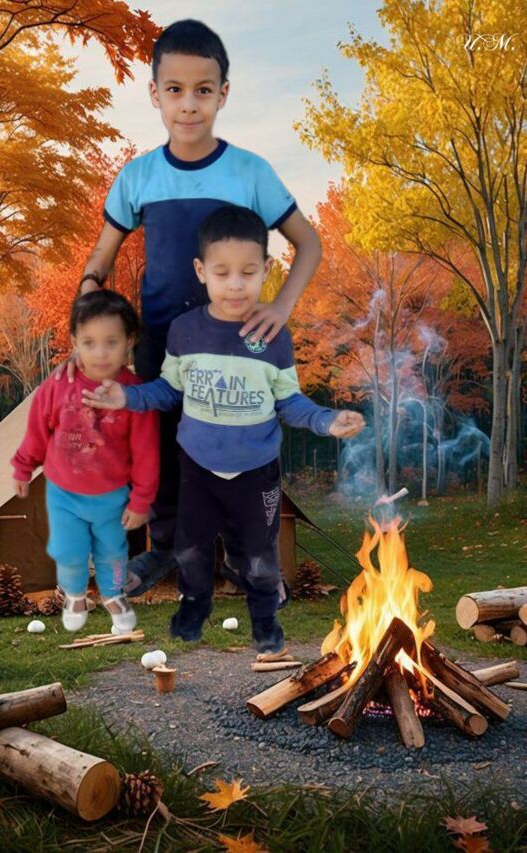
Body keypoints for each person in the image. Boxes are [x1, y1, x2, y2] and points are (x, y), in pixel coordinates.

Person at [59, 19, 323, 598]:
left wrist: (281, 306)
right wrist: (88, 292)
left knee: (240, 448)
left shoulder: (251, 172)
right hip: (163, 338)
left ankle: (248, 561)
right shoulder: (138, 176)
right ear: (154, 94)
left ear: (223, 94)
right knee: (161, 447)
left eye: (203, 90)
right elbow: (102, 255)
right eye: (174, 89)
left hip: (238, 342)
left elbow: (309, 243)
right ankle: (163, 552)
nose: (188, 104)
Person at [83, 206, 364, 652]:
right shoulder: (184, 331)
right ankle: (193, 609)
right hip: (198, 466)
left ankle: (266, 625)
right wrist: (127, 397)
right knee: (191, 549)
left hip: (257, 469)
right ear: (201, 271)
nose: (235, 284)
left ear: (266, 270)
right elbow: (168, 391)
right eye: (222, 273)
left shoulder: (274, 335)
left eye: (248, 273)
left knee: (258, 556)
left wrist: (327, 420)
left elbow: (289, 402)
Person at [11, 291, 159, 632]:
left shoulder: (134, 394)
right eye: (89, 343)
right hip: (64, 492)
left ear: (129, 341)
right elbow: (37, 431)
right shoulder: (57, 386)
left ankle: (114, 594)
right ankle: (75, 595)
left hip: (112, 495)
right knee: (69, 551)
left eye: (111, 342)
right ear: (75, 342)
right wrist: (23, 465)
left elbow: (147, 453)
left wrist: (141, 500)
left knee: (113, 552)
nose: (101, 353)